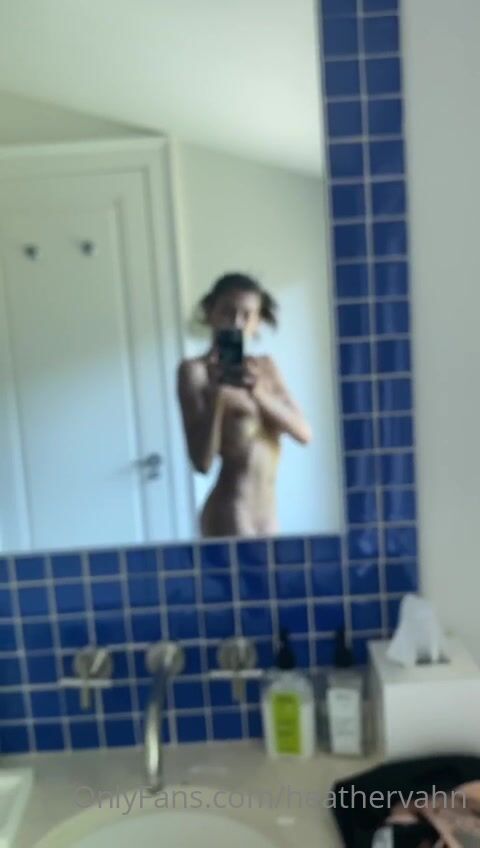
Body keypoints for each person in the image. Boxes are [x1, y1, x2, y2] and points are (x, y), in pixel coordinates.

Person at [177, 272, 312, 537]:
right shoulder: (195, 372)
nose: (236, 323)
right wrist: (218, 398)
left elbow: (304, 433)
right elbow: (202, 463)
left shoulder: (266, 368)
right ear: (210, 313)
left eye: (247, 315)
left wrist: (257, 393)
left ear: (257, 322)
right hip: (231, 512)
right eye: (227, 312)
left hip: (269, 516)